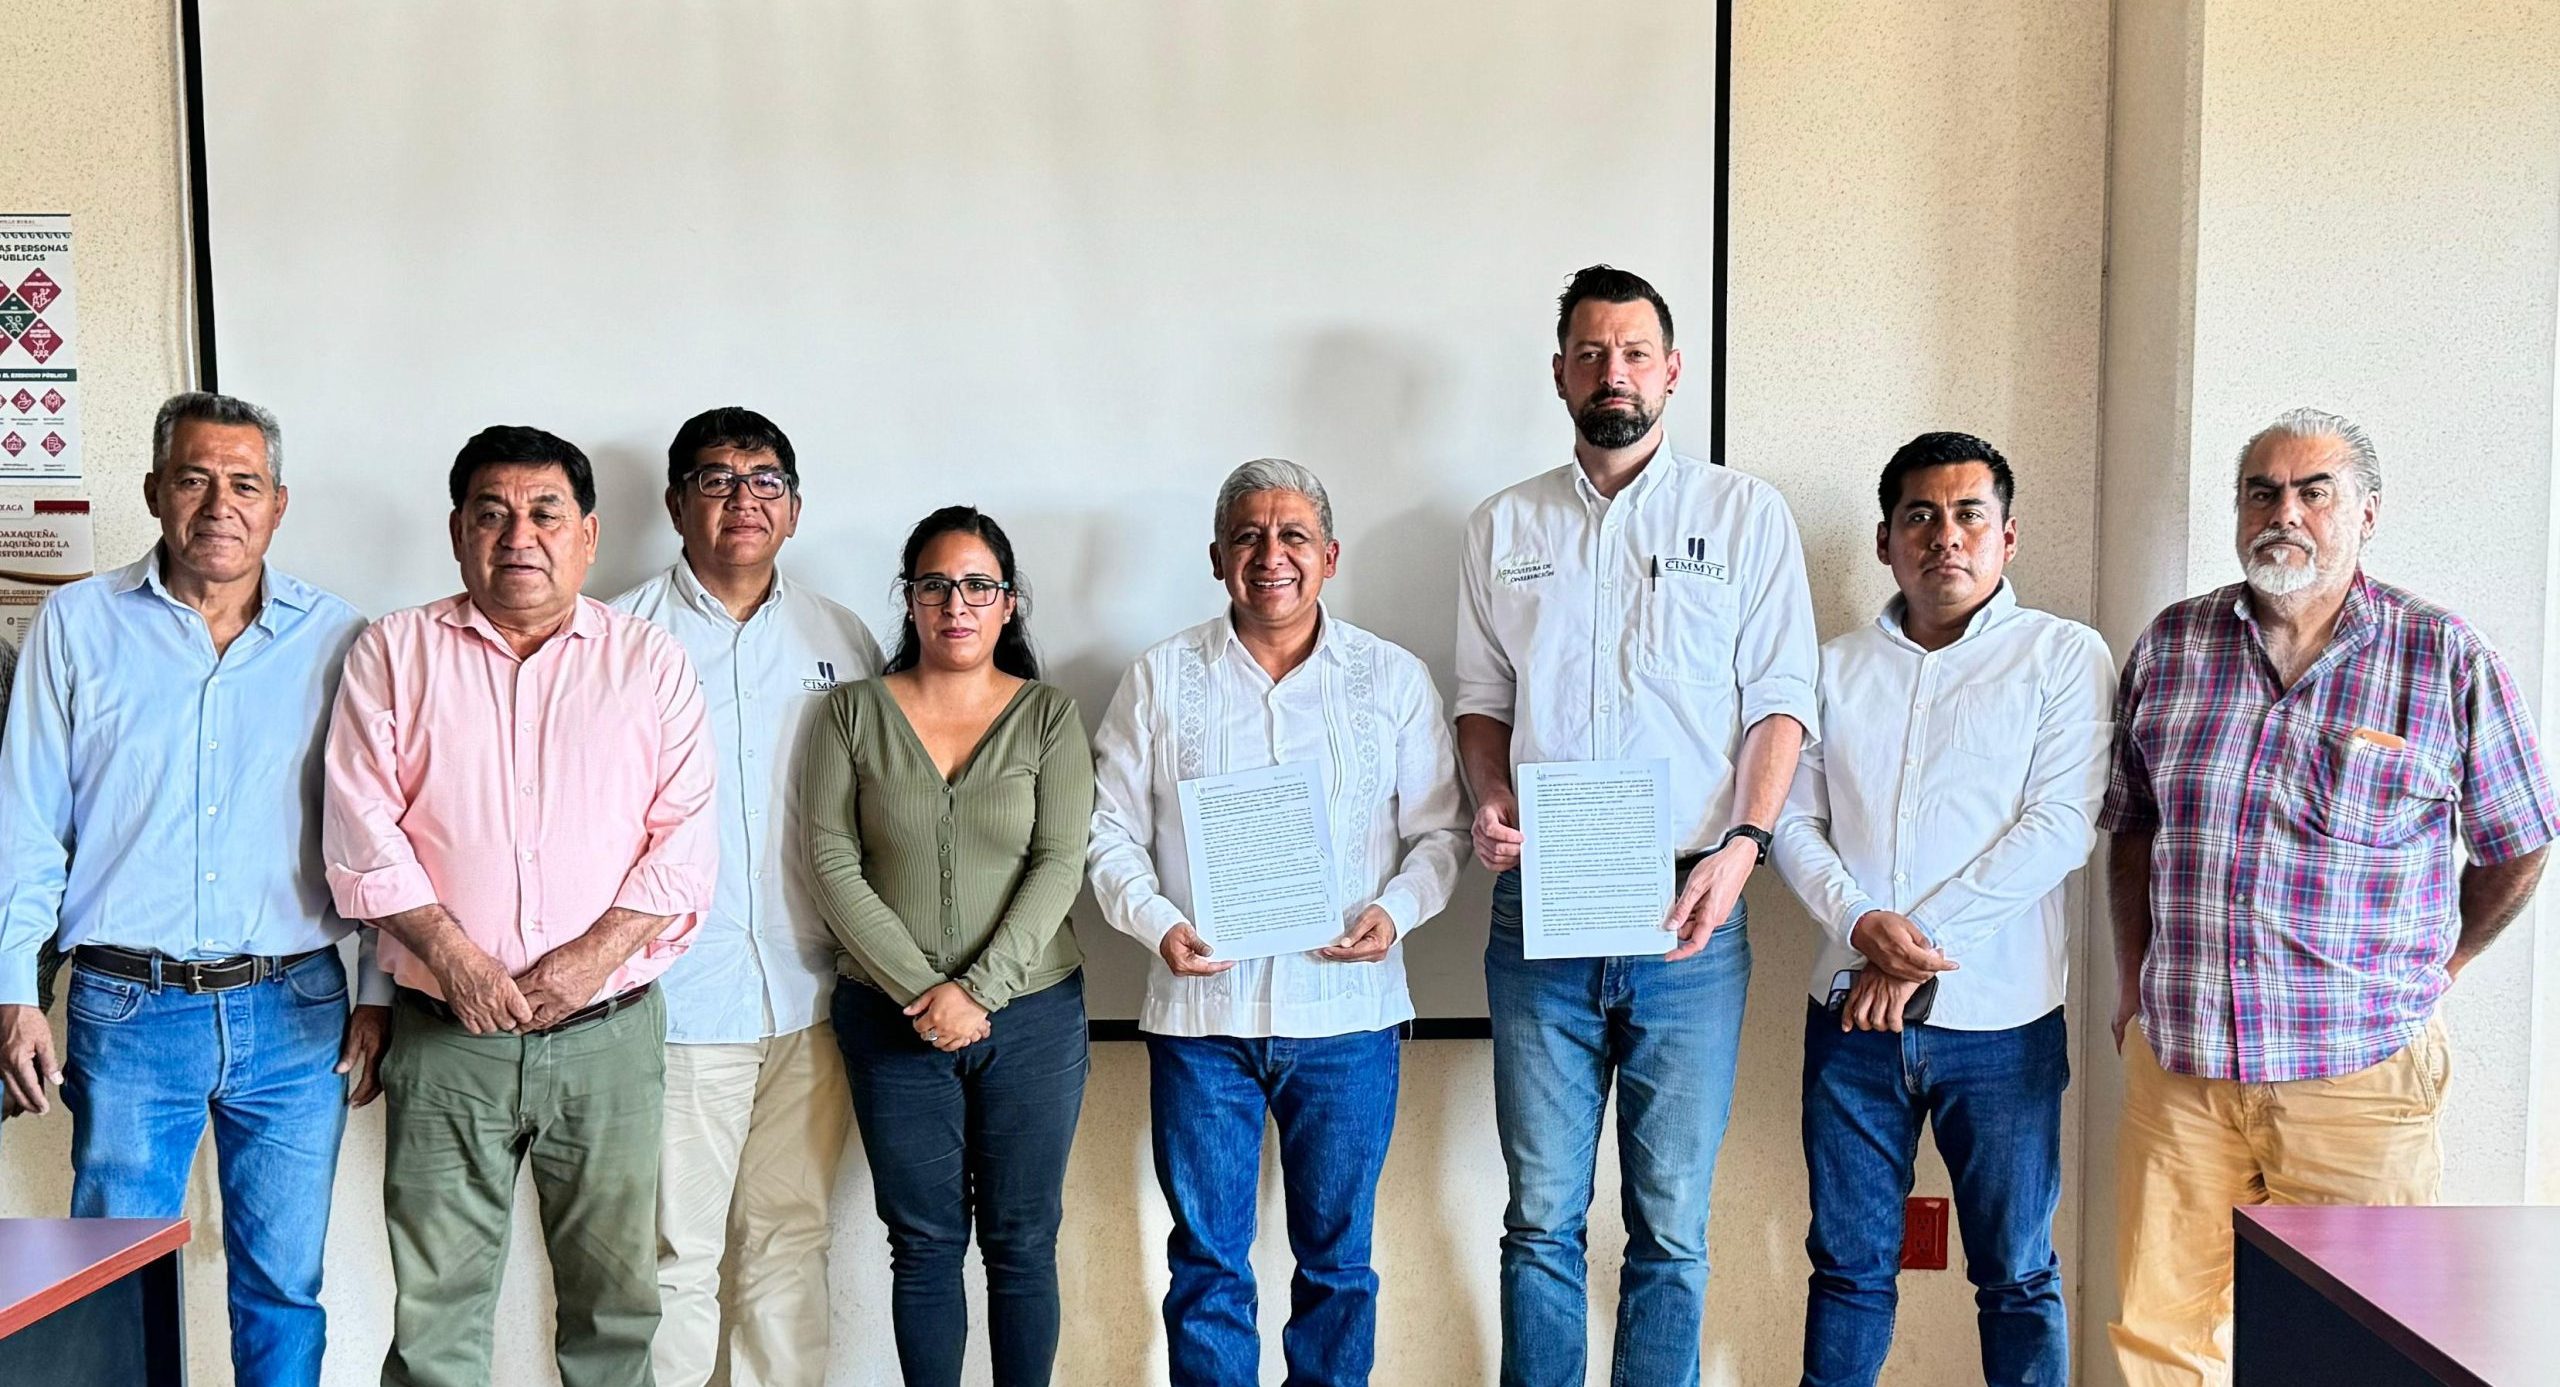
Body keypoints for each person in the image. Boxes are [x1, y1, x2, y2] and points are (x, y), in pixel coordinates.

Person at [2103, 407, 2557, 1386]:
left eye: (2314, 491)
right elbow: (2131, 825)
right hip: (2181, 1069)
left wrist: (2451, 961)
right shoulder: (2173, 646)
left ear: (2366, 513)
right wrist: (2128, 986)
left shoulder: (2442, 658)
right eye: (2261, 490)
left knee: (2358, 1349)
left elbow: (2519, 843)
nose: (2285, 511)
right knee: (2158, 1341)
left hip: (2355, 1073)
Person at [1453, 264, 1820, 1387]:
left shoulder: (1743, 515)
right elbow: (1481, 705)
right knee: (1540, 1218)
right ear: (1560, 371)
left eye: (1633, 352)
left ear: (1670, 370)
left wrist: (1742, 849)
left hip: (1688, 913)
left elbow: (1780, 702)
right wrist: (1488, 799)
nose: (1612, 372)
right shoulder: (1501, 525)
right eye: (1589, 352)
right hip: (1543, 904)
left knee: (1668, 1225)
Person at [323, 424, 718, 1387]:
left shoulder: (650, 663)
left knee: (615, 1306)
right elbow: (361, 831)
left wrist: (584, 963)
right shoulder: (393, 653)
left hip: (607, 1034)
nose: (518, 535)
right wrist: (457, 960)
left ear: (587, 533)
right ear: (458, 532)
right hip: (445, 1031)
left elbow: (684, 843)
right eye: (491, 513)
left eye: (545, 512)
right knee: (438, 1314)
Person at [0, 392, 382, 1387]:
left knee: (282, 1285)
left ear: (279, 503)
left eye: (244, 482)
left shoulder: (342, 639)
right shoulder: (79, 625)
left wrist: (380, 993)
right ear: (155, 493)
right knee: (110, 1285)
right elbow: (25, 822)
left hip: (296, 1012)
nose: (221, 502)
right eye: (195, 478)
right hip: (129, 1011)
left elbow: (385, 835)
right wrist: (11, 989)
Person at [1089, 459, 1469, 1386]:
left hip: (1345, 1014)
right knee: (1208, 1267)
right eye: (1249, 537)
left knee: (1337, 1267)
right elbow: (1103, 830)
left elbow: (1441, 833)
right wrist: (1157, 923)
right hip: (1201, 1023)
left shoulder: (1391, 679)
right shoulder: (1158, 679)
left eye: (1293, 535)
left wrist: (1395, 909)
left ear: (1329, 555)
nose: (1272, 555)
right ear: (1217, 557)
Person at [1770, 432, 2112, 1386]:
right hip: (1850, 1023)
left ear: (2008, 535)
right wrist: (1859, 927)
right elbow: (1794, 821)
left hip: (2001, 1024)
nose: (1945, 537)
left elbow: (2058, 827)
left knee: (2016, 1273)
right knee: (1846, 1268)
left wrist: (1910, 950)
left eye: (1970, 515)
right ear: (1885, 540)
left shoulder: (2062, 655)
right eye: (1921, 515)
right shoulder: (1828, 666)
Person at [611, 407, 880, 1387]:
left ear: (795, 508)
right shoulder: (619, 632)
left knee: (788, 1245)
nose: (741, 500)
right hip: (675, 1002)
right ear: (677, 502)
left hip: (813, 999)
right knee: (671, 1259)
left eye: (764, 480)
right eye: (716, 480)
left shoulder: (839, 635)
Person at [805, 506, 1093, 1387]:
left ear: (1008, 604)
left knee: (1021, 1241)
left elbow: (1060, 861)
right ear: (911, 600)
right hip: (890, 1023)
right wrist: (921, 991)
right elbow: (829, 857)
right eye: (936, 585)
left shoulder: (1049, 716)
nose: (956, 604)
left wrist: (978, 992)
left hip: (1034, 1018)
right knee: (924, 1243)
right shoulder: (850, 713)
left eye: (978, 586)